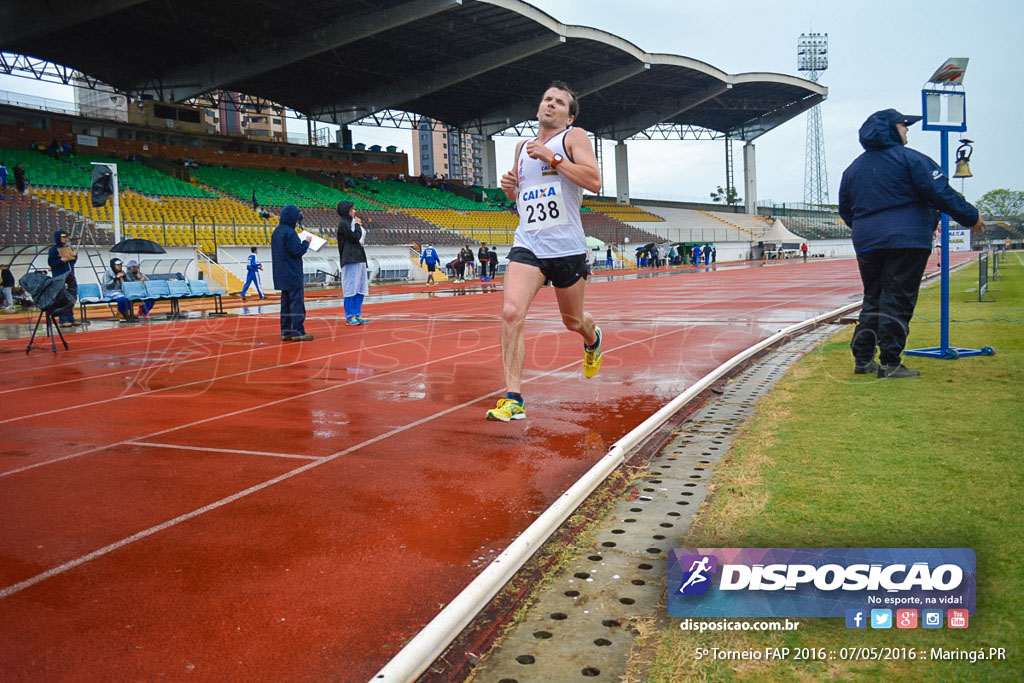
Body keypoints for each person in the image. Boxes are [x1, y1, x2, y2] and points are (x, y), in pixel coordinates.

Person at [839, 108, 985, 379]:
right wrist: (971, 217)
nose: (907, 130)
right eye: (903, 126)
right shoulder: (911, 160)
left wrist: (868, 230)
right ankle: (890, 362)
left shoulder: (853, 169)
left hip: (867, 241)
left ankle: (863, 358)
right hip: (907, 240)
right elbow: (940, 193)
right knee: (898, 299)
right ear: (891, 129)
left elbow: (846, 210)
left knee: (874, 297)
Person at [487, 81, 602, 422]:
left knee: (573, 321)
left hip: (566, 248)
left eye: (559, 102)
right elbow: (522, 198)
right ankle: (514, 398)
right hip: (529, 243)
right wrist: (510, 190)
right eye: (546, 99)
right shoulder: (522, 146)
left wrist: (552, 157)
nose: (550, 104)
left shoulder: (573, 137)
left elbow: (594, 182)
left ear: (568, 117)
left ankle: (592, 338)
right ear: (538, 108)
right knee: (511, 313)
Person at [271, 205, 313, 342]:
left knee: (285, 303)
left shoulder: (276, 232)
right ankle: (298, 331)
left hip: (281, 274)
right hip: (292, 273)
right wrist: (306, 243)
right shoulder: (290, 233)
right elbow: (296, 251)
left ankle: (286, 331)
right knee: (296, 303)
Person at [336, 200, 370, 325]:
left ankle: (357, 313)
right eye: (352, 209)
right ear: (347, 210)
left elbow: (360, 239)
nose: (355, 211)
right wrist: (356, 225)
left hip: (359, 257)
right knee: (351, 286)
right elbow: (354, 237)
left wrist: (357, 225)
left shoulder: (351, 222)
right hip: (350, 259)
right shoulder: (344, 223)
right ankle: (350, 315)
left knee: (360, 287)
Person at [47, 230, 78, 327]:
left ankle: (71, 318)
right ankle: (63, 319)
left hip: (70, 275)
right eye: (63, 237)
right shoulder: (54, 250)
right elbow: (52, 263)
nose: (65, 239)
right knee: (62, 298)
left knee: (71, 297)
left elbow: (72, 263)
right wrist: (60, 260)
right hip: (60, 276)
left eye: (65, 237)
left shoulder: (67, 248)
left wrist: (74, 256)